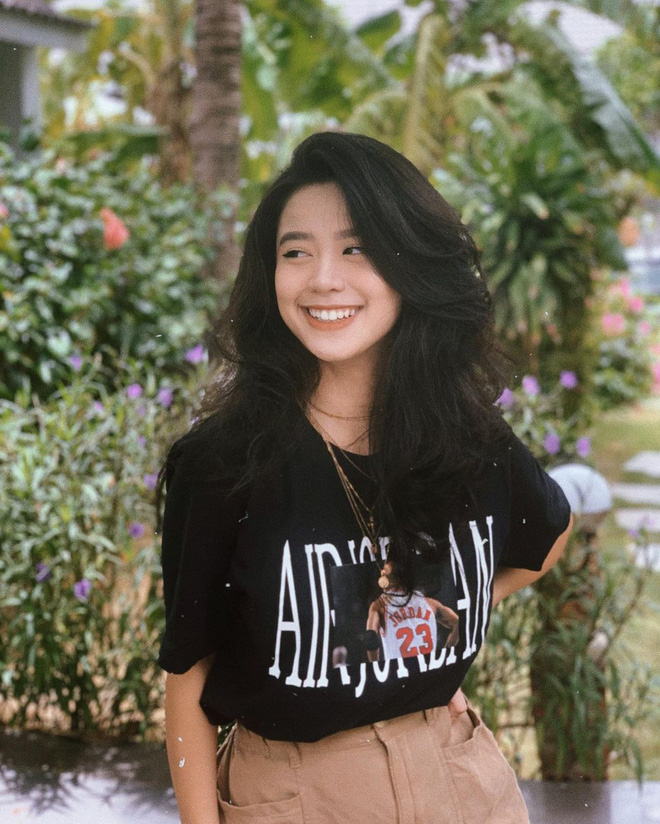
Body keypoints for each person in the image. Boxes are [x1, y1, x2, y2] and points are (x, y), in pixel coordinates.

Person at [155, 131, 574, 824]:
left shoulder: (467, 436)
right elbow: (187, 674)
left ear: (412, 262)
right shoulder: (223, 463)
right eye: (296, 252)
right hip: (294, 792)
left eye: (356, 248)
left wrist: (439, 630)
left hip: (458, 777)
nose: (323, 278)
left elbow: (548, 536)